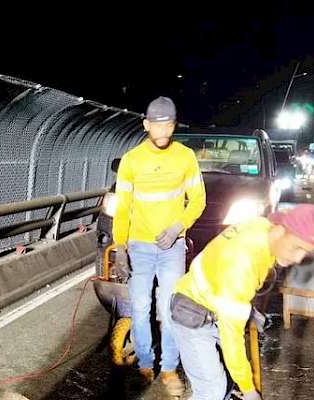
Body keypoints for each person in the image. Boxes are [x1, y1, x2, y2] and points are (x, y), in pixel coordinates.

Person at [170, 204, 314, 400]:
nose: (298, 258)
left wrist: (247, 311)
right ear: (280, 230)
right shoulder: (242, 265)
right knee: (212, 390)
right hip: (193, 314)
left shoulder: (261, 226)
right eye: (297, 247)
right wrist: (249, 390)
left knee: (226, 379)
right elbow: (232, 341)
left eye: (305, 252)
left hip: (212, 299)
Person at [111, 96, 206, 396]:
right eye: (158, 125)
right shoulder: (132, 160)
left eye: (169, 125)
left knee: (169, 310)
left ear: (174, 125)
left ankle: (168, 369)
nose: (163, 132)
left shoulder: (186, 157)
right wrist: (120, 248)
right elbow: (123, 207)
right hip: (139, 247)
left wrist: (178, 227)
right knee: (140, 309)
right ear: (146, 125)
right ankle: (144, 365)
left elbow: (199, 201)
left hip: (172, 248)